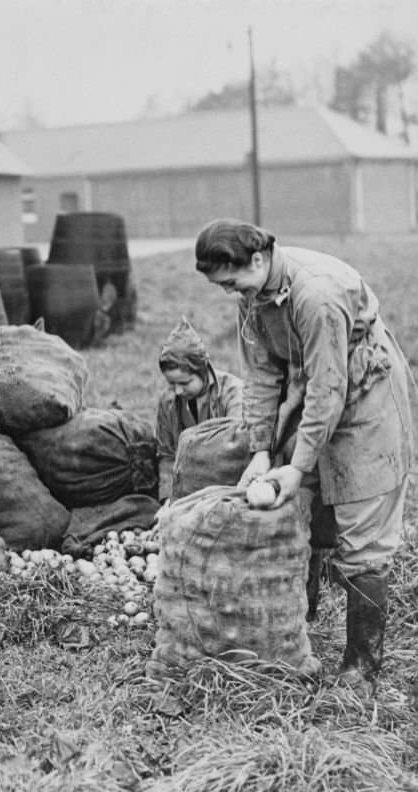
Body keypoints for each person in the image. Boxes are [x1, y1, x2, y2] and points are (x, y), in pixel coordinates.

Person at [194, 217, 414, 693]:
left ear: (258, 259)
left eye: (232, 281)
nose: (232, 293)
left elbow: (330, 388)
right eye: (223, 287)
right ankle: (295, 630)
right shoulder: (252, 297)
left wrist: (295, 464)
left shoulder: (316, 295)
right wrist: (260, 450)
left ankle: (360, 666)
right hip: (309, 387)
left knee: (362, 529)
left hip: (363, 395)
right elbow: (259, 376)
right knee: (301, 512)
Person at [155, 316, 243, 500]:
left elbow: (238, 450)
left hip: (226, 486)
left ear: (203, 370)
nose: (178, 391)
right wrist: (167, 499)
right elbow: (166, 455)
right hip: (184, 492)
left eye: (185, 383)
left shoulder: (232, 393)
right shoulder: (167, 401)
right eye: (172, 384)